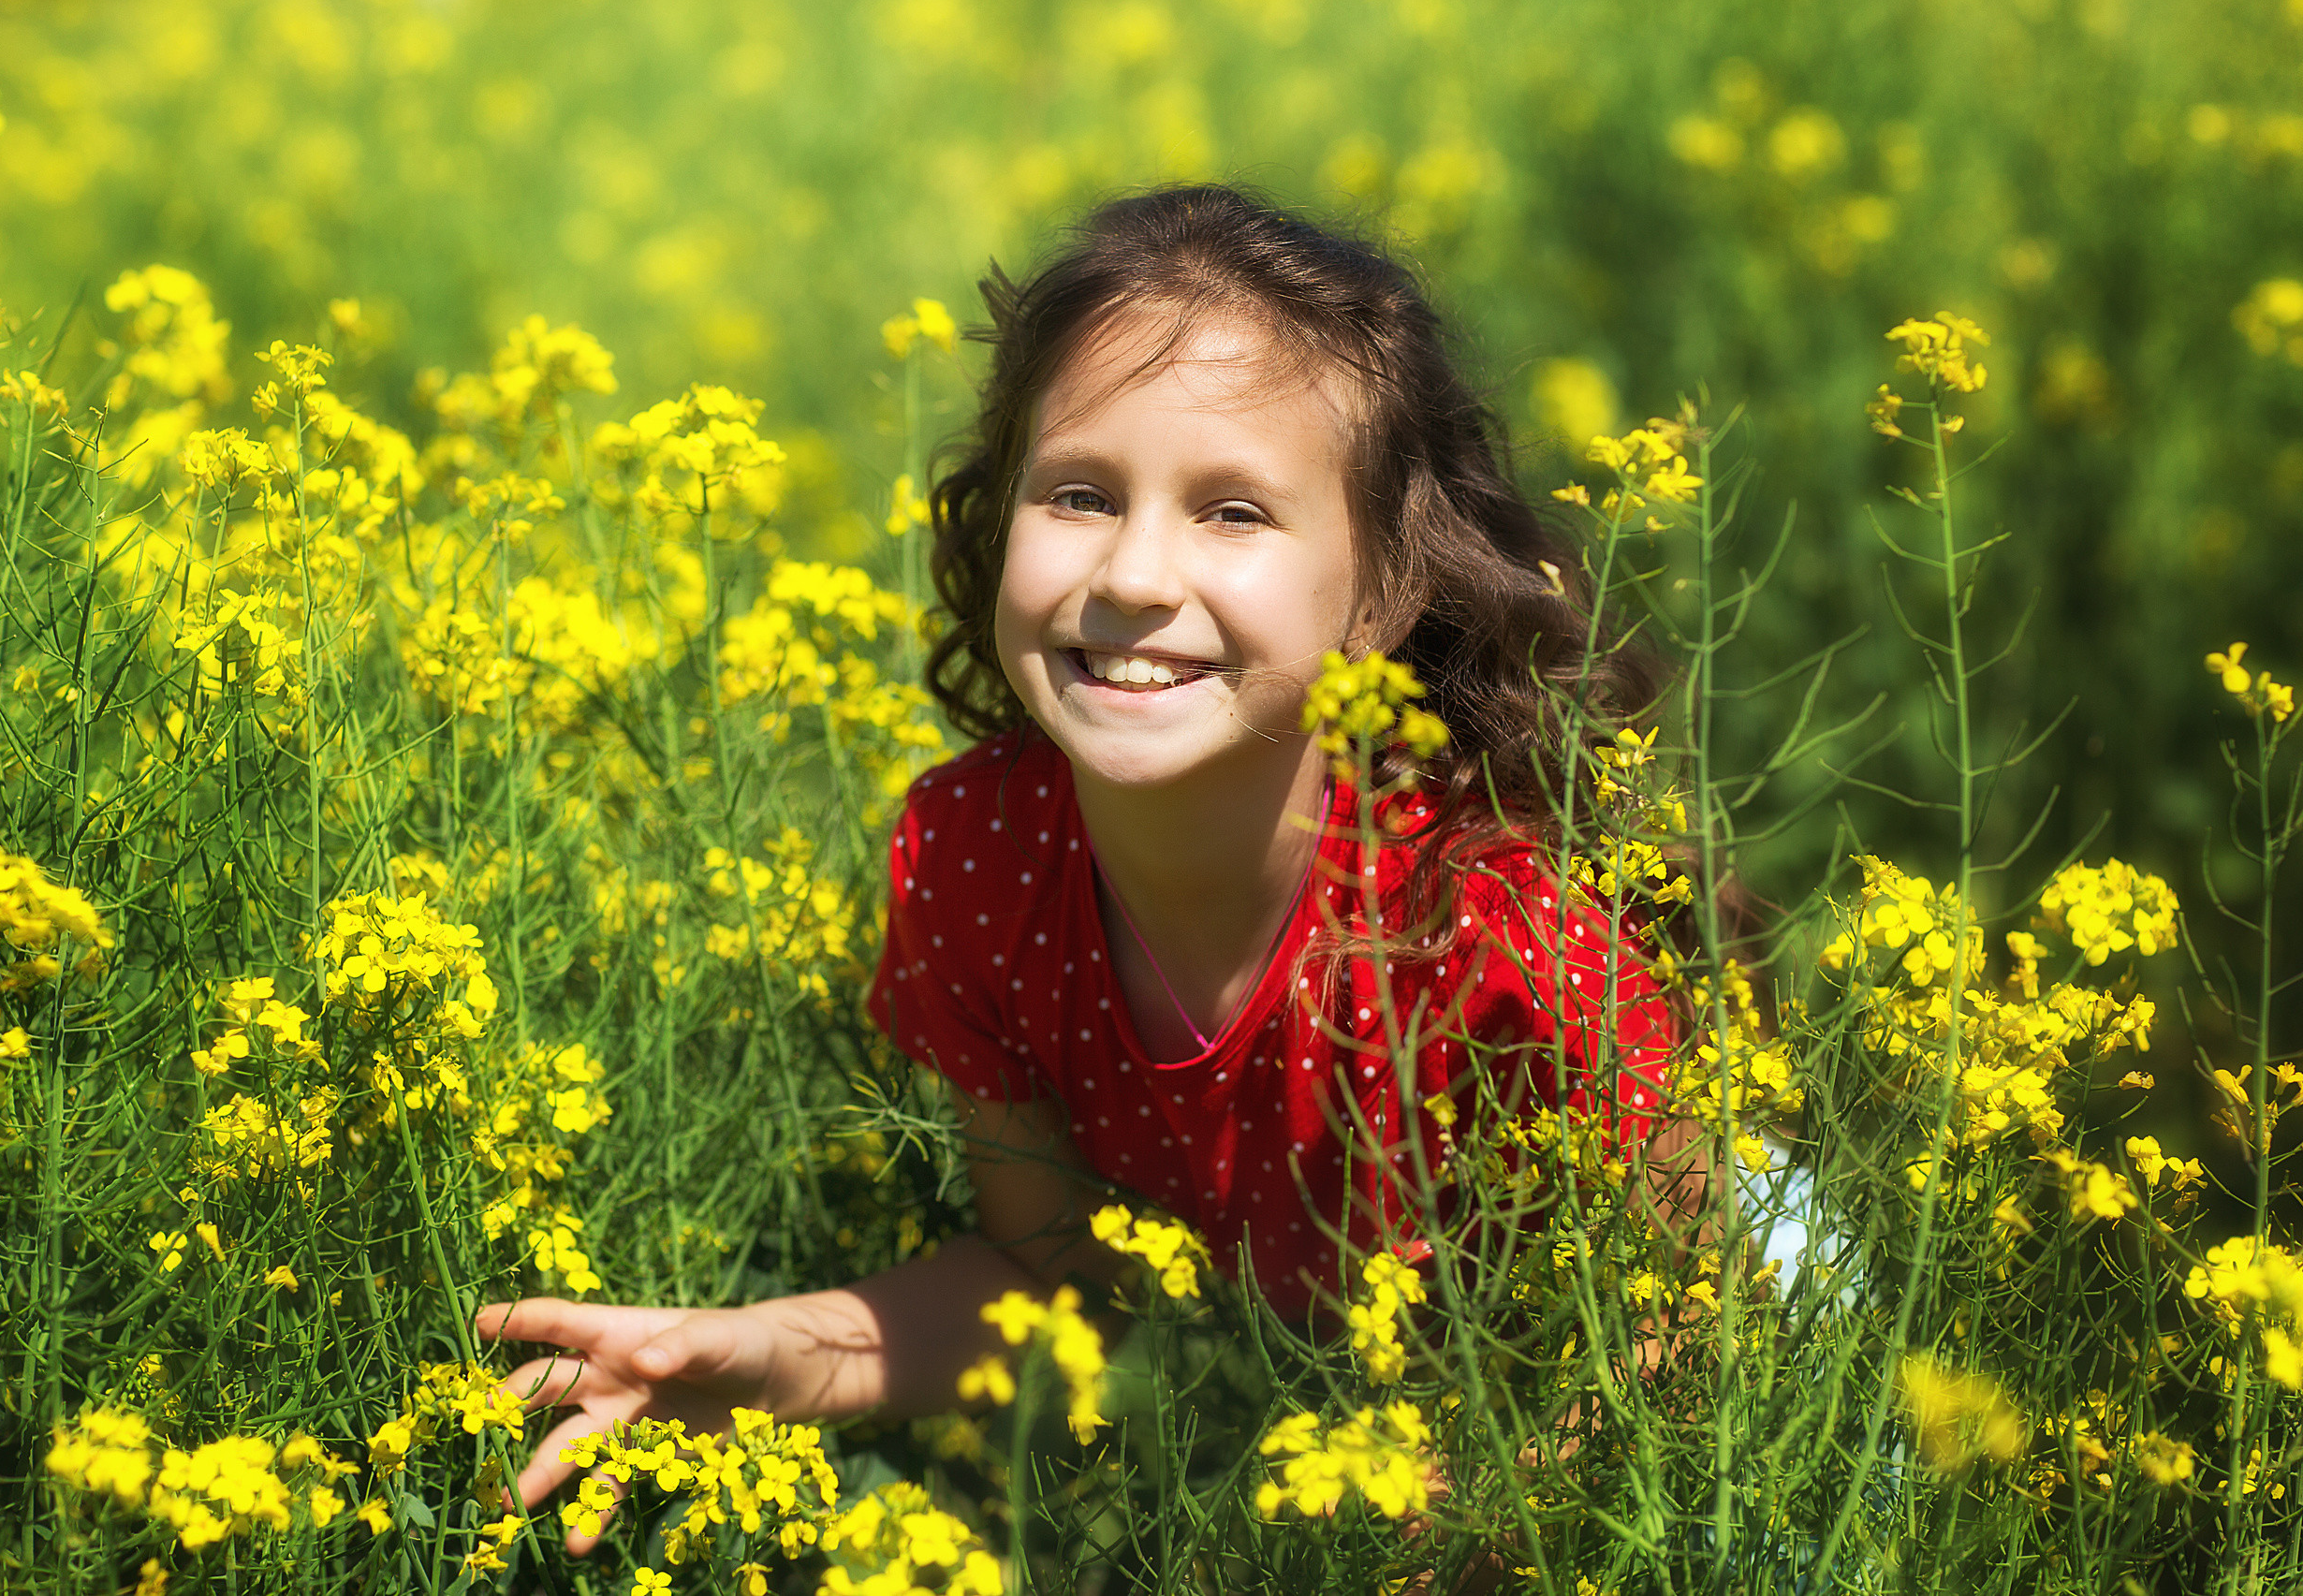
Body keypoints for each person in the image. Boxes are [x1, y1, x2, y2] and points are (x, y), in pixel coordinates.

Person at [477, 183, 1701, 1549]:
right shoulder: (971, 857)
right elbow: (1051, 1286)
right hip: (1368, 1431)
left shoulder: (1485, 923)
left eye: (1233, 512)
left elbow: (1689, 1311)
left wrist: (1467, 1532)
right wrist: (762, 1353)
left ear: (1379, 597)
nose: (1132, 573)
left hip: (1673, 1384)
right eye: (1079, 494)